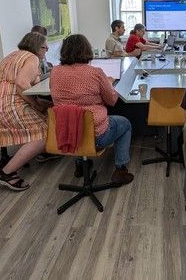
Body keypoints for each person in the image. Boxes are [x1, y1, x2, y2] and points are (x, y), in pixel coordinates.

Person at [49, 34, 134, 185]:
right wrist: (108, 83)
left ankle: (81, 164)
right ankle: (120, 168)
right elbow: (112, 100)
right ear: (87, 50)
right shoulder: (95, 72)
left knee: (71, 115)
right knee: (125, 123)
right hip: (96, 135)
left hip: (66, 132)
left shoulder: (55, 72)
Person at [0, 32, 53, 191]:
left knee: (44, 115)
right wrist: (35, 103)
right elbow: (21, 82)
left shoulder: (11, 56)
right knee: (44, 133)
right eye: (45, 47)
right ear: (36, 46)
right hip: (7, 104)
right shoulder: (32, 57)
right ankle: (7, 173)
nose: (47, 50)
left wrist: (37, 101)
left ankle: (40, 153)